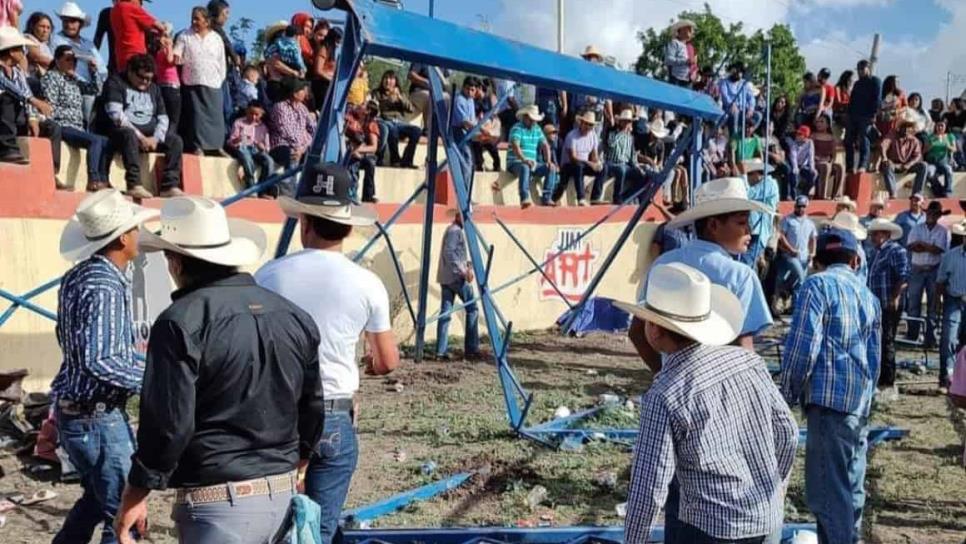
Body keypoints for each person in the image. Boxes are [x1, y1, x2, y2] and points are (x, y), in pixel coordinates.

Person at [115, 196, 323, 543]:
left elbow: (168, 425)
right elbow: (313, 403)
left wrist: (136, 493)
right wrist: (301, 458)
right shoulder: (293, 315)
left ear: (176, 261)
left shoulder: (180, 323)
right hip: (282, 494)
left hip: (217, 502)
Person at [255, 162, 399, 544]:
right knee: (319, 524)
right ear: (348, 227)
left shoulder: (269, 276)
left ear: (304, 222)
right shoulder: (367, 283)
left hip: (277, 411)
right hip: (334, 410)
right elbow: (387, 361)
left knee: (276, 518)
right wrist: (362, 365)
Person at [620, 263, 797, 544]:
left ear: (654, 329)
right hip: (765, 517)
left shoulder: (665, 394)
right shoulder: (748, 362)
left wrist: (634, 540)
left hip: (711, 527)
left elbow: (649, 486)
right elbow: (788, 431)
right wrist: (777, 488)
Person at [50, 189, 158, 544]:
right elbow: (101, 359)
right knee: (125, 517)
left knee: (97, 500)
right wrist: (153, 379)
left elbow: (71, 341)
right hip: (97, 418)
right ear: (124, 236)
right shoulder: (105, 285)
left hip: (81, 414)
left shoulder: (80, 277)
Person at [780, 228, 881, 544]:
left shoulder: (815, 286)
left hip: (827, 404)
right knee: (852, 486)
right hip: (857, 403)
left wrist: (786, 395)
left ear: (818, 259)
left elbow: (802, 348)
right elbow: (874, 357)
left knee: (828, 495)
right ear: (854, 259)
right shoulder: (868, 296)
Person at [629, 176, 775, 375]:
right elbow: (743, 347)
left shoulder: (664, 263)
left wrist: (662, 374)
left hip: (674, 382)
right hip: (722, 384)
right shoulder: (740, 275)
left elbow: (638, 332)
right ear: (713, 225)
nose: (749, 230)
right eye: (741, 222)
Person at [101, 53, 184, 199]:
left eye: (149, 79)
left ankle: (169, 186)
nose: (146, 82)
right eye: (142, 77)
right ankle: (134, 184)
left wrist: (156, 138)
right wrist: (141, 137)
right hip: (122, 133)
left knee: (175, 141)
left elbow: (163, 117)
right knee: (128, 134)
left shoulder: (154, 88)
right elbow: (116, 115)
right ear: (130, 71)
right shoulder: (115, 82)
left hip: (150, 136)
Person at [42, 45, 111, 191]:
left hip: (77, 126)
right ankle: (93, 179)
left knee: (105, 141)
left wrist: (93, 71)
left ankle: (103, 179)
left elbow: (95, 89)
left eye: (74, 60)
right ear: (57, 60)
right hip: (62, 124)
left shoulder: (73, 80)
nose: (72, 63)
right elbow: (50, 106)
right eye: (68, 59)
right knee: (95, 140)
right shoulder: (51, 77)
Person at [0, 26, 61, 167]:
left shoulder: (18, 72)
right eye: (21, 49)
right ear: (12, 51)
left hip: (15, 116)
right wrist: (34, 101)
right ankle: (7, 148)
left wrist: (32, 117)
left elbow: (26, 91)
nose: (23, 52)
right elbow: (11, 88)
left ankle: (52, 168)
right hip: (3, 114)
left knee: (52, 127)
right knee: (7, 98)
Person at [173, 6, 226, 154]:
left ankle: (216, 146)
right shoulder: (184, 36)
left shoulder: (216, 38)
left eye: (197, 18)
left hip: (213, 82)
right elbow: (177, 55)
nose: (194, 21)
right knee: (196, 117)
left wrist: (219, 79)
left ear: (207, 21)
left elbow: (221, 62)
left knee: (215, 116)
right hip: (192, 81)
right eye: (193, 18)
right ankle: (198, 146)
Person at [434, 205, 481, 361]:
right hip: (456, 278)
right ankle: (471, 348)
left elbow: (457, 254)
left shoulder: (452, 230)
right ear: (459, 216)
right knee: (472, 308)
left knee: (445, 312)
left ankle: (441, 351)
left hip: (446, 277)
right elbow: (450, 253)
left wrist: (467, 266)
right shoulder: (456, 231)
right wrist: (464, 271)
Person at [866, 218, 909, 390]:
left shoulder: (895, 251)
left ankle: (887, 380)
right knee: (880, 340)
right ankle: (882, 377)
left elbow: (904, 275)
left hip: (888, 303)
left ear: (885, 235)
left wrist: (895, 297)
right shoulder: (877, 253)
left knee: (887, 340)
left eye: (876, 234)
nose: (873, 237)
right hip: (878, 302)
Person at [905, 201, 951, 349]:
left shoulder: (943, 231)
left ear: (938, 216)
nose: (931, 216)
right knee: (913, 304)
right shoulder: (917, 228)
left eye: (934, 214)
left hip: (933, 269)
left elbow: (938, 249)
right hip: (918, 269)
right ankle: (913, 336)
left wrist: (922, 244)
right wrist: (928, 247)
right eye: (930, 213)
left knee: (933, 305)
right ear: (926, 214)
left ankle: (930, 338)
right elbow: (912, 246)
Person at [51, 2, 105, 124]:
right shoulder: (56, 40)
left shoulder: (88, 44)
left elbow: (102, 69)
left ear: (80, 24)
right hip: (70, 85)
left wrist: (94, 70)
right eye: (66, 21)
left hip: (93, 87)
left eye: (73, 21)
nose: (69, 25)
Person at [505, 104, 557, 208]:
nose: (534, 122)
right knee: (525, 166)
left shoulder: (537, 129)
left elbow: (545, 145)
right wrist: (524, 159)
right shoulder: (517, 128)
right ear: (525, 117)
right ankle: (524, 197)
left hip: (532, 163)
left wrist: (548, 161)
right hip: (515, 162)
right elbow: (515, 145)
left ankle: (547, 197)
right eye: (532, 119)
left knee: (551, 168)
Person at [937, 221, 966, 392]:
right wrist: (936, 304)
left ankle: (961, 382)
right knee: (948, 339)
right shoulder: (950, 256)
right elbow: (940, 281)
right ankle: (945, 378)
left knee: (963, 342)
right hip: (953, 299)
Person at [774, 195, 817, 308]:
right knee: (801, 278)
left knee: (798, 282)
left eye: (803, 206)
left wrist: (812, 252)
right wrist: (790, 249)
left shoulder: (810, 223)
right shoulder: (787, 220)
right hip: (789, 256)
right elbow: (781, 236)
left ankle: (795, 306)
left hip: (804, 256)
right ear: (795, 206)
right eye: (799, 206)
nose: (801, 209)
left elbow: (813, 239)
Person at [373, 69, 420, 168]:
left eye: (391, 79)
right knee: (392, 129)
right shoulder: (377, 93)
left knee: (416, 131)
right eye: (385, 78)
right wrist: (388, 100)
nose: (387, 81)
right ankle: (395, 160)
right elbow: (376, 107)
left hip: (400, 123)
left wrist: (400, 98)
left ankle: (407, 160)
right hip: (386, 121)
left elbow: (410, 109)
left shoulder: (400, 94)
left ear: (395, 82)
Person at [553, 110, 601, 206]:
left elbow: (594, 155)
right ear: (581, 123)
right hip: (568, 165)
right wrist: (589, 163)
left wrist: (597, 163)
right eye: (586, 124)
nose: (588, 127)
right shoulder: (572, 136)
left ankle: (595, 197)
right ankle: (581, 198)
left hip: (584, 164)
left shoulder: (593, 136)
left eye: (590, 125)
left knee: (604, 168)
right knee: (579, 166)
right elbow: (573, 158)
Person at [269, 76, 315, 175]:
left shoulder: (303, 108)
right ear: (294, 93)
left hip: (301, 146)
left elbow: (313, 129)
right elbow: (286, 132)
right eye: (302, 90)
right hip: (282, 145)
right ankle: (287, 187)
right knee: (292, 154)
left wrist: (302, 148)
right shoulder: (280, 107)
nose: (305, 93)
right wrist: (298, 147)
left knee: (315, 156)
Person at [592, 108, 638, 205]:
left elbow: (632, 156)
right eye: (625, 121)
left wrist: (637, 166)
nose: (626, 124)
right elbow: (611, 143)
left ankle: (626, 197)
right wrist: (622, 132)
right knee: (619, 170)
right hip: (611, 163)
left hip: (625, 164)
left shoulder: (631, 138)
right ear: (620, 122)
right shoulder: (612, 133)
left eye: (628, 122)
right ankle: (614, 198)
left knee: (641, 176)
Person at [844, 60, 881, 173]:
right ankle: (849, 166)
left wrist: (873, 115)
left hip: (867, 115)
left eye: (862, 68)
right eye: (858, 69)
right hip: (853, 114)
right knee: (848, 140)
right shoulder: (857, 84)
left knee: (864, 139)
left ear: (868, 68)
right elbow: (852, 100)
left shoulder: (875, 81)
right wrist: (848, 114)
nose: (860, 71)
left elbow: (877, 99)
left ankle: (863, 165)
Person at [742, 159, 780, 269]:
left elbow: (747, 194)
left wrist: (743, 176)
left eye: (749, 174)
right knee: (749, 265)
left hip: (758, 231)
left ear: (757, 173)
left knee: (746, 263)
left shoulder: (769, 183)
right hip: (753, 230)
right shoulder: (764, 185)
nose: (748, 178)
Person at [227, 102, 274, 188]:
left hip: (256, 150)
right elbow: (230, 142)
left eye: (257, 114)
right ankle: (250, 185)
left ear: (261, 114)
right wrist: (238, 139)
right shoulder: (239, 122)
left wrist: (263, 147)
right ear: (246, 111)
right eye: (251, 113)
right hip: (243, 147)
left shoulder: (263, 127)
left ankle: (262, 187)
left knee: (269, 161)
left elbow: (267, 148)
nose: (253, 117)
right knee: (247, 158)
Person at [110, 0, 163, 73]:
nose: (141, 4)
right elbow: (160, 27)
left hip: (121, 56)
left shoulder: (114, 10)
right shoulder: (132, 8)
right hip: (137, 56)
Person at [879, 120, 927, 198]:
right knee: (887, 164)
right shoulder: (892, 135)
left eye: (908, 128)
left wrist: (909, 164)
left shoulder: (914, 140)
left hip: (907, 165)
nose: (905, 130)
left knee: (923, 165)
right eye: (903, 128)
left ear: (911, 130)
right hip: (894, 164)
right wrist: (884, 158)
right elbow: (883, 145)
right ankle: (892, 193)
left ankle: (917, 193)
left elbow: (917, 155)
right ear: (899, 128)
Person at [263, 21, 307, 103]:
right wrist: (294, 73)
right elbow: (276, 64)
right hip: (278, 83)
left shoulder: (293, 49)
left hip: (289, 85)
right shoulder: (273, 48)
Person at [345, 100, 380, 202]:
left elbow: (373, 147)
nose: (359, 105)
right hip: (350, 149)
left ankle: (367, 195)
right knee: (353, 160)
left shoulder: (371, 125)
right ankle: (351, 191)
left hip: (365, 153)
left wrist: (358, 150)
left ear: (367, 111)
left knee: (369, 163)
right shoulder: (352, 118)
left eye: (363, 104)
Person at [153, 22, 180, 137]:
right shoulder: (165, 48)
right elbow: (170, 60)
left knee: (164, 115)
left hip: (161, 84)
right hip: (171, 85)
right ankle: (169, 138)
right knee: (173, 117)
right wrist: (170, 48)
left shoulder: (158, 51)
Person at [408, 62, 450, 133]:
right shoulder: (422, 58)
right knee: (430, 97)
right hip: (418, 92)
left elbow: (446, 80)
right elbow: (411, 75)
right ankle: (428, 129)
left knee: (447, 98)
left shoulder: (442, 62)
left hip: (435, 93)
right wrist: (426, 82)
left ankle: (442, 130)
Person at [717, 62, 756, 136]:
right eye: (737, 72)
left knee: (758, 116)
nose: (739, 74)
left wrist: (751, 108)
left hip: (744, 110)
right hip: (730, 110)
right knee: (735, 112)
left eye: (741, 72)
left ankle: (747, 134)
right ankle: (734, 137)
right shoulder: (724, 82)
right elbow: (725, 97)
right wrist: (732, 104)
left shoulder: (744, 83)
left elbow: (751, 97)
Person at [812, 115, 844, 200]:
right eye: (817, 122)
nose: (819, 124)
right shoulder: (813, 136)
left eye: (822, 122)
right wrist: (817, 159)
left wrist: (831, 161)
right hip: (815, 162)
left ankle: (835, 196)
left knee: (840, 167)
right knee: (825, 166)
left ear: (827, 124)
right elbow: (810, 152)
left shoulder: (832, 137)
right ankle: (822, 196)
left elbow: (834, 154)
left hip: (827, 161)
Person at [923, 120, 956, 197]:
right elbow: (923, 151)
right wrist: (930, 146)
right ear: (935, 126)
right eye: (938, 125)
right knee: (929, 173)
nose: (940, 127)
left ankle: (948, 192)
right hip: (932, 162)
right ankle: (939, 191)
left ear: (945, 127)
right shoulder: (930, 136)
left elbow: (954, 149)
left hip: (943, 162)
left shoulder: (950, 136)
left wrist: (947, 145)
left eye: (942, 126)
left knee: (949, 170)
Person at [788, 125, 818, 199]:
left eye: (800, 134)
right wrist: (795, 167)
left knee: (814, 174)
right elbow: (793, 156)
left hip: (804, 165)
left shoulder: (810, 143)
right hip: (794, 165)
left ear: (805, 136)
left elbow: (811, 156)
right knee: (794, 176)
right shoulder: (793, 143)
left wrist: (812, 168)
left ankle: (805, 193)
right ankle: (794, 196)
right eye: (797, 134)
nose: (797, 136)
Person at [23, 11, 54, 83]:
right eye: (42, 26)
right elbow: (37, 57)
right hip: (33, 80)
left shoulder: (46, 45)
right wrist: (59, 64)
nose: (45, 30)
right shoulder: (28, 38)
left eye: (48, 28)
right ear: (33, 26)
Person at [664, 19, 696, 87]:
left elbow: (693, 64)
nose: (691, 31)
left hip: (687, 81)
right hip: (676, 79)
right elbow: (668, 60)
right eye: (689, 28)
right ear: (681, 29)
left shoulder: (689, 47)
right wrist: (685, 61)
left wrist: (694, 72)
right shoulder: (674, 43)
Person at [876, 74, 907, 140]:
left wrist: (897, 111)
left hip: (896, 120)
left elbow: (906, 107)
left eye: (899, 82)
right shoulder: (882, 94)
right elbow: (878, 106)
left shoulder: (901, 94)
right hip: (883, 121)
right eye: (896, 81)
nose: (898, 83)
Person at [93, 0, 118, 74]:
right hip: (114, 68)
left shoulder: (139, 15)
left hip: (135, 68)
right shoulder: (106, 14)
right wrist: (91, 57)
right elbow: (97, 40)